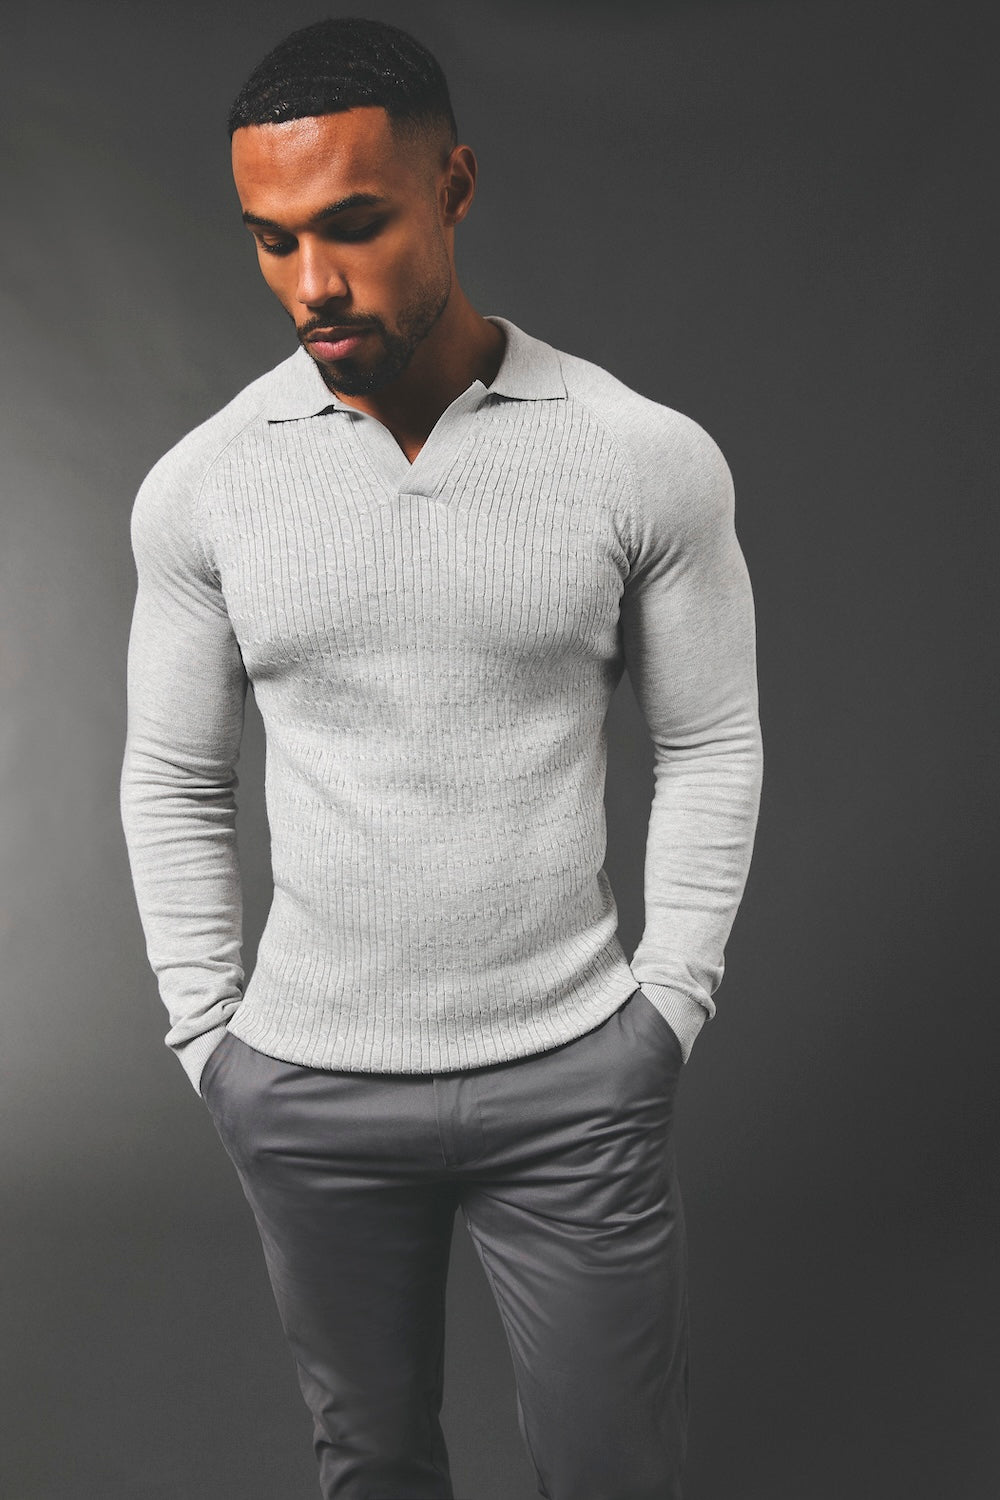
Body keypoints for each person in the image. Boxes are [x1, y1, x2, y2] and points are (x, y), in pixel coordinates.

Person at [119, 15, 764, 1500]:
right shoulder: (203, 488)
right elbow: (174, 778)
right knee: (374, 1467)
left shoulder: (639, 454)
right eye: (273, 240)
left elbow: (709, 741)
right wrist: (210, 1036)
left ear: (454, 187)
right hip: (306, 1087)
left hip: (575, 1077)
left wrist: (669, 1001)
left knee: (618, 1473)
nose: (313, 283)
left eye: (354, 224)